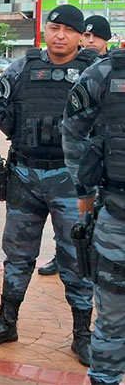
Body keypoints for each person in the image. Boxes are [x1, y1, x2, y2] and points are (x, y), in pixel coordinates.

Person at [0, 5, 95, 366]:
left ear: (79, 36)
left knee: (77, 258)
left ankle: (83, 335)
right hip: (25, 174)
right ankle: (6, 322)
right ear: (46, 30)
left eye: (68, 30)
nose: (60, 35)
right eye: (54, 27)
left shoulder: (93, 71)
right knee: (18, 255)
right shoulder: (23, 66)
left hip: (71, 179)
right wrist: (21, 137)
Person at [62, 46, 125, 385]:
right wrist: (84, 192)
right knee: (114, 318)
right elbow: (72, 131)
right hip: (118, 217)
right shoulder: (106, 73)